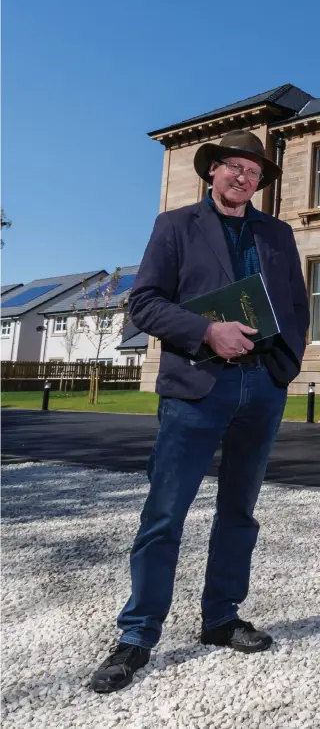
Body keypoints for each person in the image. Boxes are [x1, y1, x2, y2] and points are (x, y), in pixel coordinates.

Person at [91, 129, 309, 694]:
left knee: (239, 512)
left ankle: (220, 619)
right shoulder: (175, 227)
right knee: (164, 514)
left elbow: (295, 307)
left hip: (261, 388)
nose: (244, 177)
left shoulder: (280, 234)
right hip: (196, 387)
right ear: (211, 171)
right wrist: (207, 330)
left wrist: (281, 369)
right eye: (234, 166)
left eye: (254, 171)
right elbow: (143, 303)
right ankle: (137, 634)